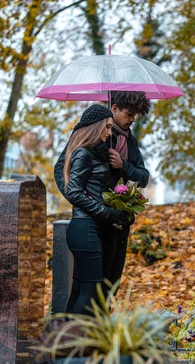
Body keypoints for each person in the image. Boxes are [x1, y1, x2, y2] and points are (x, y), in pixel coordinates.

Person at [54, 92, 151, 298]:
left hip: (118, 222)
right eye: (129, 113)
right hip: (93, 221)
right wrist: (82, 202)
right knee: (89, 288)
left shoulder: (130, 143)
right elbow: (61, 169)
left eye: (136, 115)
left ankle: (101, 327)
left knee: (110, 284)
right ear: (114, 109)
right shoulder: (91, 134)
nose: (133, 119)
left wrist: (123, 166)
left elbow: (143, 177)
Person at [55, 104, 130, 315]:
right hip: (84, 229)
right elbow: (74, 193)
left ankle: (64, 343)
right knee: (90, 295)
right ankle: (78, 345)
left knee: (80, 291)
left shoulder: (96, 154)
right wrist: (110, 214)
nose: (109, 132)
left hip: (89, 229)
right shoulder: (82, 154)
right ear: (95, 127)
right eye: (106, 127)